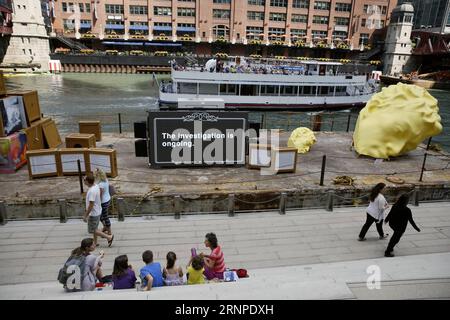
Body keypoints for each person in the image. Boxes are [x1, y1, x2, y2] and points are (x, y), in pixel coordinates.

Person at [83, 173, 114, 247]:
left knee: (92, 230)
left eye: (84, 180)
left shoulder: (92, 191)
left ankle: (109, 237)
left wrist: (86, 215)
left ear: (87, 181)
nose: (83, 181)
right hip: (98, 211)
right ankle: (95, 242)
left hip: (94, 213)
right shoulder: (96, 186)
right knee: (95, 228)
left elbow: (91, 204)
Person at [94, 168, 112, 235]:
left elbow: (100, 196)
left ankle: (109, 231)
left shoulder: (100, 184)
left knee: (104, 216)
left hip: (103, 202)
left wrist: (98, 205)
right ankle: (105, 227)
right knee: (102, 216)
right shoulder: (105, 180)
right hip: (108, 199)